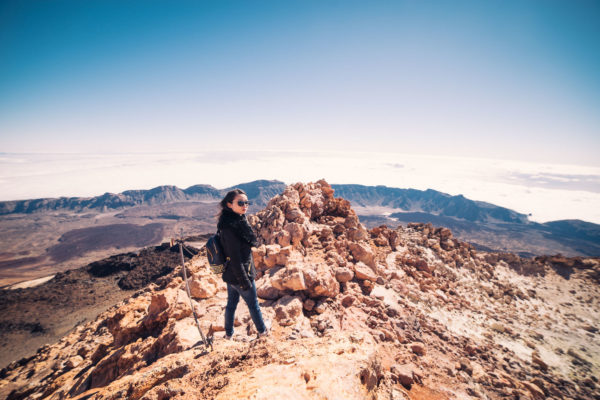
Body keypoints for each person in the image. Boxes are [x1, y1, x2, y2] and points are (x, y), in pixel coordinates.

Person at [217, 188, 269, 339]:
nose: (244, 205)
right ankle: (263, 332)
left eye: (247, 202)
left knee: (231, 304)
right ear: (229, 204)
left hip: (231, 275)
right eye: (240, 202)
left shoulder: (235, 221)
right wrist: (244, 281)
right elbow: (235, 257)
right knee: (253, 304)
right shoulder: (231, 228)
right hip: (240, 274)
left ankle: (228, 335)